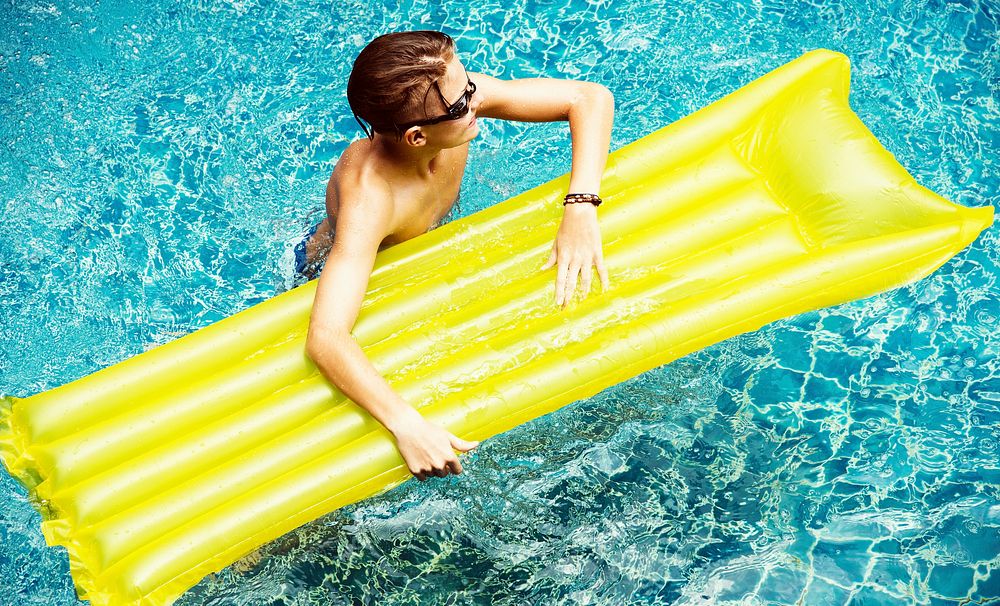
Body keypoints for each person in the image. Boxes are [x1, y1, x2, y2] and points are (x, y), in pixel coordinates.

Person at [301, 30, 614, 482]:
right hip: (346, 264)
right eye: (461, 101)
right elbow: (326, 336)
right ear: (415, 137)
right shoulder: (372, 200)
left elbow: (589, 98)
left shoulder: (449, 103)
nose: (476, 98)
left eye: (468, 85)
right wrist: (406, 425)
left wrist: (580, 205)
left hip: (422, 242)